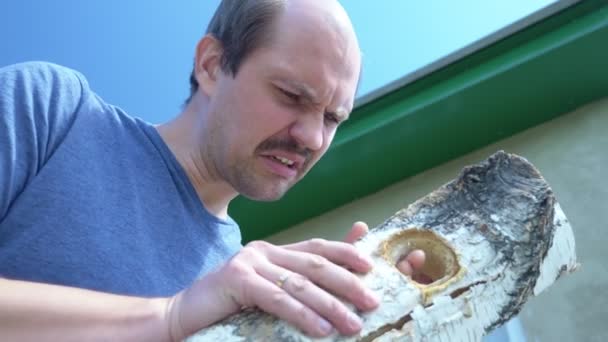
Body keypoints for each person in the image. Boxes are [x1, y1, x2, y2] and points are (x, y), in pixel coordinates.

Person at [0, 0, 428, 340]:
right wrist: (170, 318)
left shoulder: (247, 284)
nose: (313, 138)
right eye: (291, 95)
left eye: (333, 118)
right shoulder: (53, 111)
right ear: (211, 65)